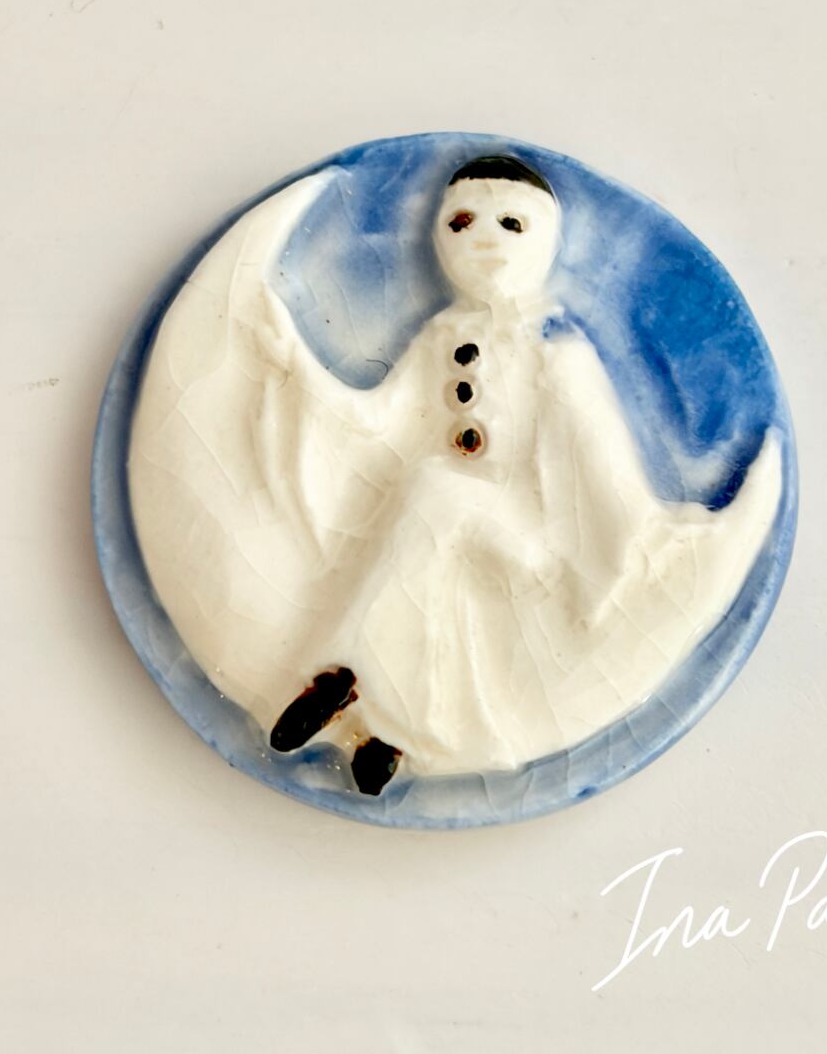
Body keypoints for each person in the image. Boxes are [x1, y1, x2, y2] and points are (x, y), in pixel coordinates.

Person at [128, 155, 783, 793]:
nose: (486, 242)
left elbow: (601, 466)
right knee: (435, 503)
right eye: (463, 223)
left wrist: (639, 543)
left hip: (541, 542)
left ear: (546, 241)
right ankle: (386, 734)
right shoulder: (442, 335)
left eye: (511, 225)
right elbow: (381, 424)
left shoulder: (558, 351)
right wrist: (295, 366)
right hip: (448, 513)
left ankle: (341, 677)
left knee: (439, 490)